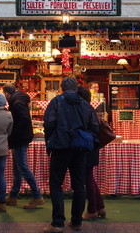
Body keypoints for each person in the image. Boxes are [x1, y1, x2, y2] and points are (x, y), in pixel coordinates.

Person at [43, 77, 99, 233]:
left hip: (60, 147)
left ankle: (58, 223)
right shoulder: (85, 104)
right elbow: (94, 126)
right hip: (79, 149)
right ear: (76, 88)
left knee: (56, 184)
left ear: (61, 88)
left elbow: (48, 123)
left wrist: (50, 142)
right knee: (79, 185)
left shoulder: (56, 102)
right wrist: (86, 139)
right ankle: (77, 222)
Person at [2, 83, 45, 209]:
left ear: (7, 93)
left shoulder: (17, 103)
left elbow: (24, 121)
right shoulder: (18, 100)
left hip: (20, 139)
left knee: (23, 168)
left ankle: (37, 196)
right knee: (17, 169)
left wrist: (13, 132)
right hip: (19, 139)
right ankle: (13, 196)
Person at [77, 86, 106, 221]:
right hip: (92, 146)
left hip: (86, 146)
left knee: (86, 178)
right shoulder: (90, 109)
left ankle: (92, 210)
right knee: (89, 177)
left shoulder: (82, 110)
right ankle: (100, 207)